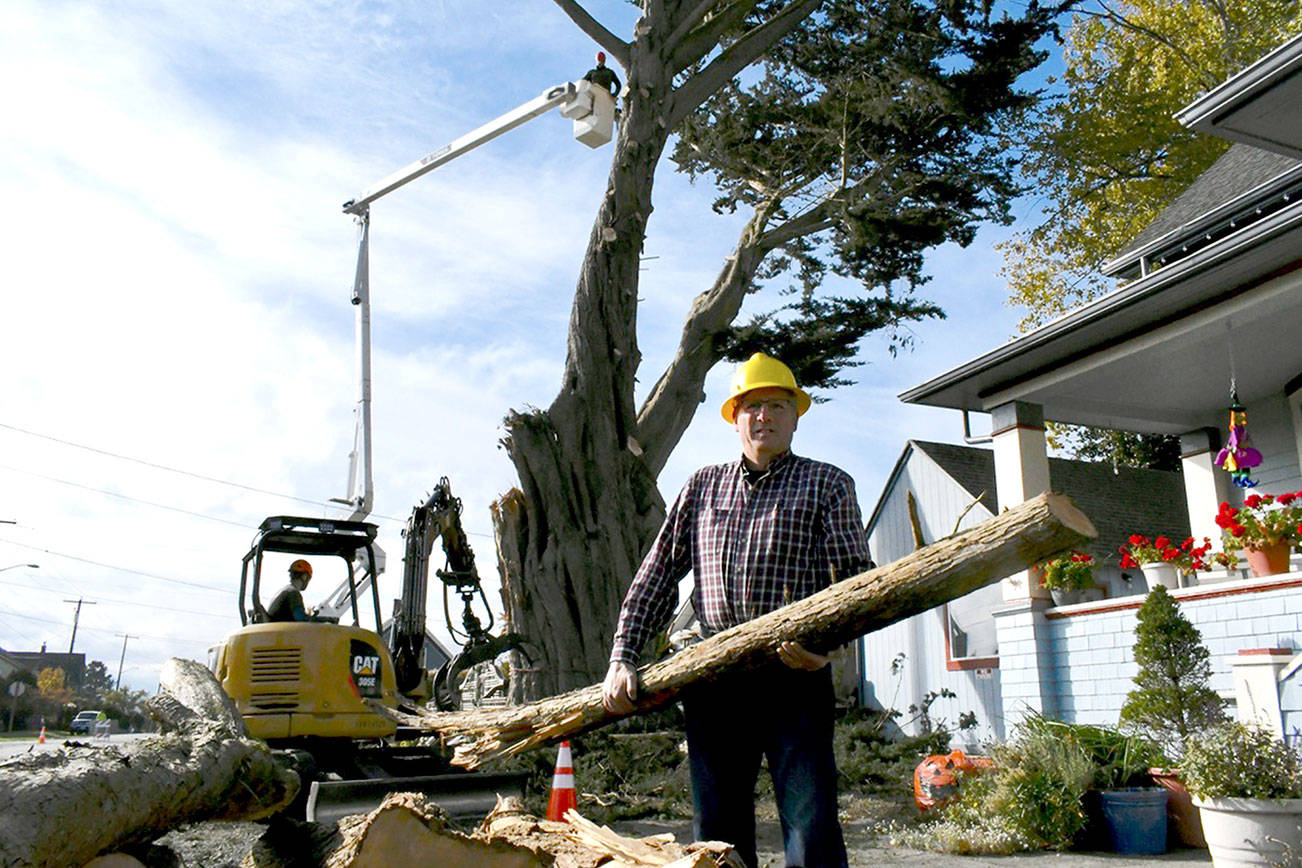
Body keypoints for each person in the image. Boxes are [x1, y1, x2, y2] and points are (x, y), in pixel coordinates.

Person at [602, 352, 872, 868]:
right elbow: (657, 573)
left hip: (795, 674)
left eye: (775, 405)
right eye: (752, 406)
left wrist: (828, 650)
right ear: (735, 418)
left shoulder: (828, 484)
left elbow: (855, 581)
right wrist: (624, 654)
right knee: (717, 833)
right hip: (715, 680)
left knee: (810, 825)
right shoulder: (702, 487)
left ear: (795, 416)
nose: (763, 416)